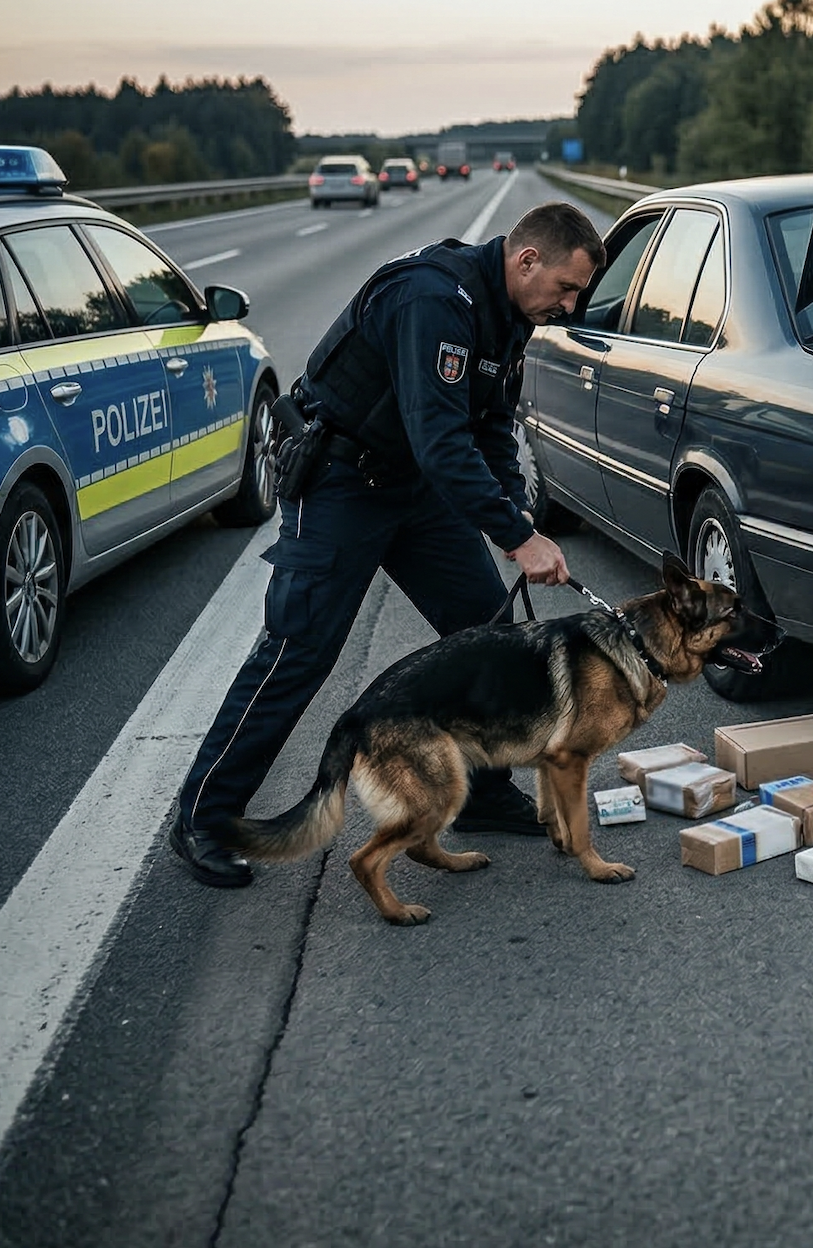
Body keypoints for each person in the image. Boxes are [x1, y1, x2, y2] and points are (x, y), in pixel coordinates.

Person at [170, 202, 606, 888]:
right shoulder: (434, 299)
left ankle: (486, 796)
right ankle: (205, 817)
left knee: (486, 631)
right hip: (344, 481)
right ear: (528, 261)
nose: (571, 305)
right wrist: (517, 537)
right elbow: (440, 440)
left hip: (417, 491)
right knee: (298, 649)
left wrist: (517, 508)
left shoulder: (511, 314)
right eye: (567, 288)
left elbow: (489, 426)